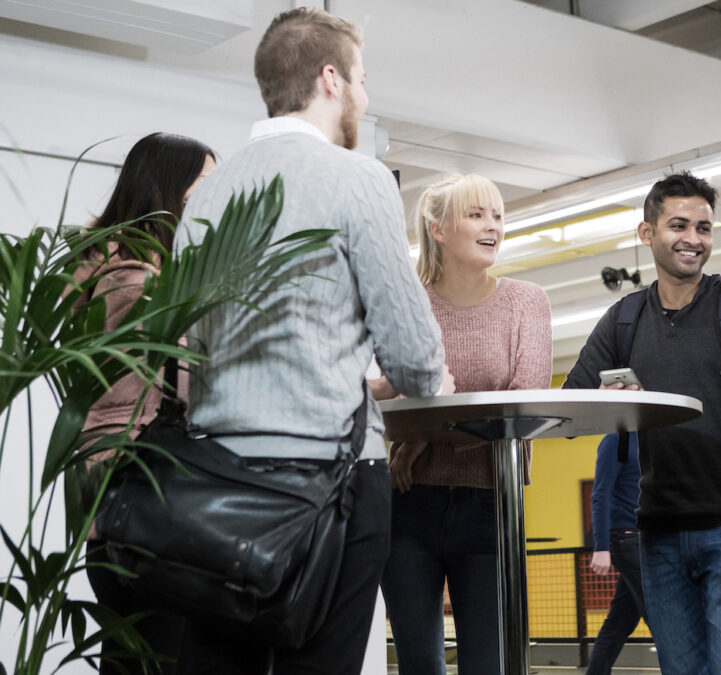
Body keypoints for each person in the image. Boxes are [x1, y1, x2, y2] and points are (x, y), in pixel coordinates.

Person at [174, 8, 448, 674]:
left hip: (215, 489)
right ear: (331, 78)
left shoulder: (207, 199)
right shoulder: (357, 182)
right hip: (330, 485)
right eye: (361, 78)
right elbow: (415, 360)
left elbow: (183, 354)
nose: (365, 95)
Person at [564, 172, 721, 675]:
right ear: (647, 233)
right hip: (660, 538)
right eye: (679, 225)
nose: (694, 239)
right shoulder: (623, 319)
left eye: (704, 228)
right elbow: (571, 407)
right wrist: (607, 402)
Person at [380, 173, 552, 674]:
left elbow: (523, 404)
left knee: (488, 664)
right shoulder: (407, 304)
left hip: (490, 502)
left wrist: (422, 436)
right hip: (406, 503)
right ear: (437, 229)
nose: (492, 226)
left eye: (497, 215)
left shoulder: (525, 301)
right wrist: (415, 433)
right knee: (418, 663)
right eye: (476, 214)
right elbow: (385, 390)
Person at [75, 131, 216, 675]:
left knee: (127, 653)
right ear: (168, 187)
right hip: (151, 481)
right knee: (163, 653)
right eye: (203, 184)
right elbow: (181, 380)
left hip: (102, 483)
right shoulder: (142, 278)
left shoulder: (97, 259)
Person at [585, 432, 647, 675]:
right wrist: (601, 547)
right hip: (626, 539)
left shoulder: (649, 438)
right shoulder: (616, 441)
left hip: (645, 538)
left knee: (620, 621)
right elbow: (600, 493)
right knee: (663, 617)